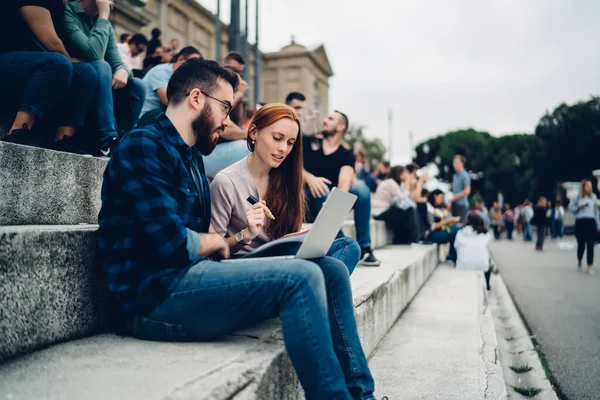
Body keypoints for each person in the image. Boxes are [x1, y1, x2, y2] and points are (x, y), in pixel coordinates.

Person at [97, 58, 376, 400]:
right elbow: (170, 242)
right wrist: (224, 240)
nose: (230, 120)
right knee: (301, 278)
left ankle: (363, 396)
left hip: (191, 278)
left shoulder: (191, 157)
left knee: (331, 268)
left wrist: (236, 244)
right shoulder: (143, 145)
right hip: (151, 299)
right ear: (197, 99)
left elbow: (201, 243)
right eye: (226, 107)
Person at [210, 103, 361, 274]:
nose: (283, 149)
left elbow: (286, 237)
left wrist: (315, 231)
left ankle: (315, 293)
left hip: (280, 258)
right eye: (277, 138)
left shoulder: (287, 179)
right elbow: (215, 252)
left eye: (290, 143)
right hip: (243, 264)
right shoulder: (226, 181)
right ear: (254, 132)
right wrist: (246, 234)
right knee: (326, 266)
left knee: (350, 246)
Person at [0, 0, 98, 154]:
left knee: (86, 72)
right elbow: (51, 42)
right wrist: (69, 62)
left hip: (27, 64)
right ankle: (19, 132)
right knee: (59, 63)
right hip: (6, 60)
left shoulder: (59, 6)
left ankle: (64, 139)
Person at [64, 0, 146, 151]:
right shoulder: (70, 11)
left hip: (97, 78)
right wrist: (103, 16)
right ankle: (108, 138)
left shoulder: (104, 25)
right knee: (102, 66)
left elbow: (117, 61)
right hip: (75, 77)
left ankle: (124, 143)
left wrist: (123, 71)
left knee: (138, 86)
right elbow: (94, 53)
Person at [303, 110, 381, 266]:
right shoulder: (309, 143)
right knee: (322, 187)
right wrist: (310, 178)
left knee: (362, 191)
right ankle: (343, 243)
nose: (325, 120)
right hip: (306, 199)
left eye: (330, 119)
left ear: (341, 127)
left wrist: (336, 204)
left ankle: (365, 247)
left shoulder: (346, 154)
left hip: (327, 202)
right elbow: (294, 167)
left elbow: (345, 180)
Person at [202, 66, 251, 179]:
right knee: (256, 150)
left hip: (217, 153)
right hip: (207, 155)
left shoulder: (236, 106)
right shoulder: (216, 101)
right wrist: (249, 135)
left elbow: (234, 125)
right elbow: (224, 129)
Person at [137, 46, 202, 126]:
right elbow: (168, 100)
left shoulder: (183, 78)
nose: (193, 68)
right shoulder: (160, 71)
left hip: (160, 117)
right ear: (181, 58)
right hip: (145, 117)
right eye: (192, 62)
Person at [372, 166, 422, 244]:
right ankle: (414, 238)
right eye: (404, 173)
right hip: (380, 212)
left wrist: (410, 187)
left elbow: (408, 199)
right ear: (399, 174)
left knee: (409, 210)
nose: (406, 175)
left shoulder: (397, 184)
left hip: (386, 210)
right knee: (408, 211)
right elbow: (403, 198)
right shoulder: (390, 182)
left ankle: (406, 239)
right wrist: (407, 184)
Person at [454, 212, 494, 291]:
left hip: (462, 265)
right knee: (488, 261)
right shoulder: (485, 235)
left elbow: (456, 247)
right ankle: (487, 285)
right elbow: (488, 247)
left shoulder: (460, 233)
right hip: (482, 265)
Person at [570, 179, 599, 274]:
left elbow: (596, 213)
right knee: (581, 244)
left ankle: (589, 265)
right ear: (583, 187)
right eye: (587, 186)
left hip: (591, 222)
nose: (590, 188)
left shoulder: (594, 197)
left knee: (590, 244)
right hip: (580, 222)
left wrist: (598, 225)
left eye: (591, 186)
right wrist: (579, 207)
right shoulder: (577, 197)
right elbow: (571, 208)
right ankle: (579, 259)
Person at [425, 189, 461, 263]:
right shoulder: (430, 208)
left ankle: (453, 256)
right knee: (457, 230)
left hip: (441, 232)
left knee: (458, 229)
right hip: (433, 234)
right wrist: (449, 220)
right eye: (441, 197)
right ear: (435, 196)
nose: (442, 200)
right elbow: (432, 227)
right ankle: (453, 257)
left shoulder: (440, 208)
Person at [449, 155, 471, 223]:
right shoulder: (455, 175)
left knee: (461, 225)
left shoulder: (465, 175)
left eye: (456, 162)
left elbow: (467, 191)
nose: (454, 165)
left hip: (462, 205)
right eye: (453, 162)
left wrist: (454, 197)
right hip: (455, 204)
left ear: (462, 164)